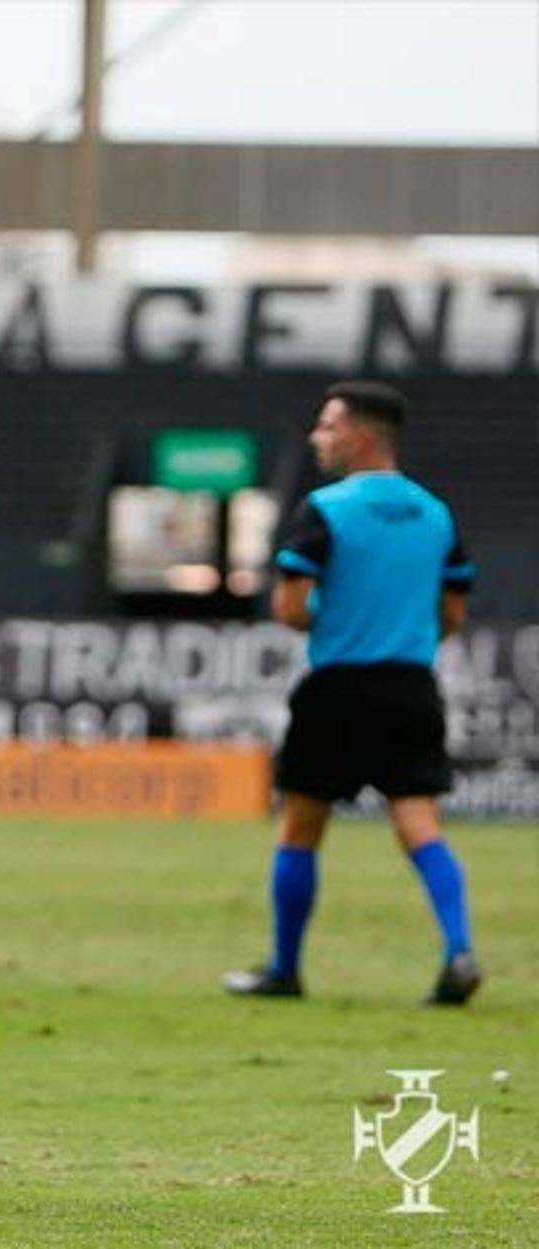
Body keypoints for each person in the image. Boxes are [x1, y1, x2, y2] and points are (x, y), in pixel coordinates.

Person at [224, 381, 481, 1006]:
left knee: (300, 829)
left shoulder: (327, 509)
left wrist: (342, 618)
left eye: (328, 426)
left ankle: (285, 970)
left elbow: (289, 607)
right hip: (411, 687)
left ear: (361, 436)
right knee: (420, 823)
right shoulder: (434, 512)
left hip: (338, 686)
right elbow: (451, 612)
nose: (320, 437)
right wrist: (404, 622)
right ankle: (459, 948)